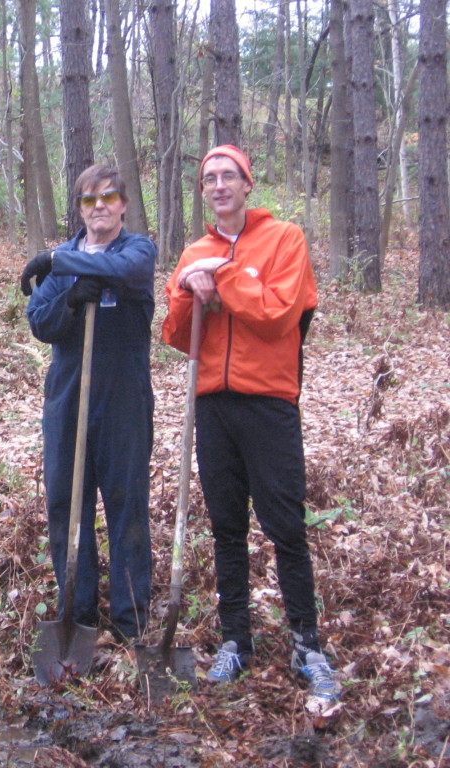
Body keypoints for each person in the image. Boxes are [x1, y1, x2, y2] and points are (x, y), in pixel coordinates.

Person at [161, 145, 339, 713]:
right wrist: (192, 290)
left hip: (269, 404)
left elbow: (281, 313)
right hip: (213, 405)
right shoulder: (194, 251)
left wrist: (224, 278)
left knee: (286, 525)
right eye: (209, 178)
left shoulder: (284, 240)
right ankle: (237, 640)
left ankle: (307, 644)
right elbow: (173, 331)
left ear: (247, 184)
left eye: (228, 177)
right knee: (227, 527)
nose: (218, 186)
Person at [20, 164, 156, 643]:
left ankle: (129, 622)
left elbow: (128, 273)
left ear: (122, 204)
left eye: (108, 197)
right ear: (78, 208)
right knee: (66, 506)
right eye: (88, 199)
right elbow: (41, 323)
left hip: (123, 403)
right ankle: (77, 616)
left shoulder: (136, 249)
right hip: (68, 402)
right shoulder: (68, 261)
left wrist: (59, 262)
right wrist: (73, 299)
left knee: (127, 508)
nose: (99, 206)